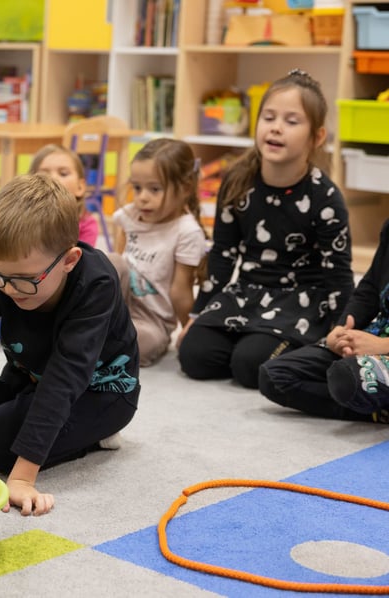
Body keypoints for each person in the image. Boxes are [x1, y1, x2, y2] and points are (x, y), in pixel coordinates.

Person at [0, 173, 140, 516]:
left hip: (101, 392)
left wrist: (23, 479)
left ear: (69, 261)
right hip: (30, 376)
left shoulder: (96, 283)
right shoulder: (1, 275)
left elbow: (64, 381)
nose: (9, 289)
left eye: (25, 281)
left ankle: (101, 434)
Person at [177, 69, 353, 389]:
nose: (275, 127)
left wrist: (340, 330)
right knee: (194, 356)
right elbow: (222, 255)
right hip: (246, 293)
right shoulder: (236, 181)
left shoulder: (325, 197)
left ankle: (274, 343)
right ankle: (251, 338)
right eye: (268, 117)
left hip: (299, 301)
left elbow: (338, 274)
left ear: (317, 137)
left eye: (291, 121)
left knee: (249, 366)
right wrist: (197, 314)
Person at [259, 218, 389, 423]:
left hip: (382, 346)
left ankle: (365, 396)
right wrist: (342, 330)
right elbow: (370, 287)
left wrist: (382, 346)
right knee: (274, 376)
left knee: (348, 376)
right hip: (376, 339)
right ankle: (375, 411)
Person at [108, 138, 207, 366]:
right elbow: (117, 267)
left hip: (152, 322)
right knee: (110, 261)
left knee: (141, 342)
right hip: (117, 308)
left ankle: (97, 343)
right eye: (137, 187)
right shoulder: (129, 216)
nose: (142, 197)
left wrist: (189, 331)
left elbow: (180, 291)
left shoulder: (186, 231)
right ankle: (95, 334)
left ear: (185, 188)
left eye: (154, 189)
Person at [28, 144, 98, 246]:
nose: (53, 178)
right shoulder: (23, 221)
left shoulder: (87, 225)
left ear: (80, 187)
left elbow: (81, 260)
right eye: (44, 174)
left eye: (63, 173)